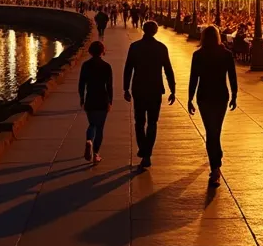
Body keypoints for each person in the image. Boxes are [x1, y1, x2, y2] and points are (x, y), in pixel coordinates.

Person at [188, 26, 239, 187]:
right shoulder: (226, 55)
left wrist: (190, 98)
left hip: (204, 95)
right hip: (221, 95)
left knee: (211, 132)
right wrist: (234, 96)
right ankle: (216, 161)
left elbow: (193, 78)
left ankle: (215, 167)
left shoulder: (198, 55)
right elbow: (232, 77)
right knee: (215, 130)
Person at [122, 20, 176, 171]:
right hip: (155, 89)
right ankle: (147, 154)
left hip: (139, 88)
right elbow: (168, 69)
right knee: (152, 122)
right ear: (155, 31)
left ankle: (143, 148)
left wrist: (125, 88)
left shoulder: (135, 47)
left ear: (143, 30)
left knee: (139, 122)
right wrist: (173, 89)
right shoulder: (161, 48)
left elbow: (128, 69)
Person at [78, 40, 113, 164]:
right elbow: (109, 86)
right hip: (102, 99)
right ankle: (96, 154)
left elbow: (81, 84)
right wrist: (110, 101)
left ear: (90, 51)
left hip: (90, 98)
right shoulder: (106, 66)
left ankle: (89, 140)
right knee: (100, 128)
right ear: (102, 51)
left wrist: (82, 97)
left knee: (92, 124)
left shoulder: (86, 65)